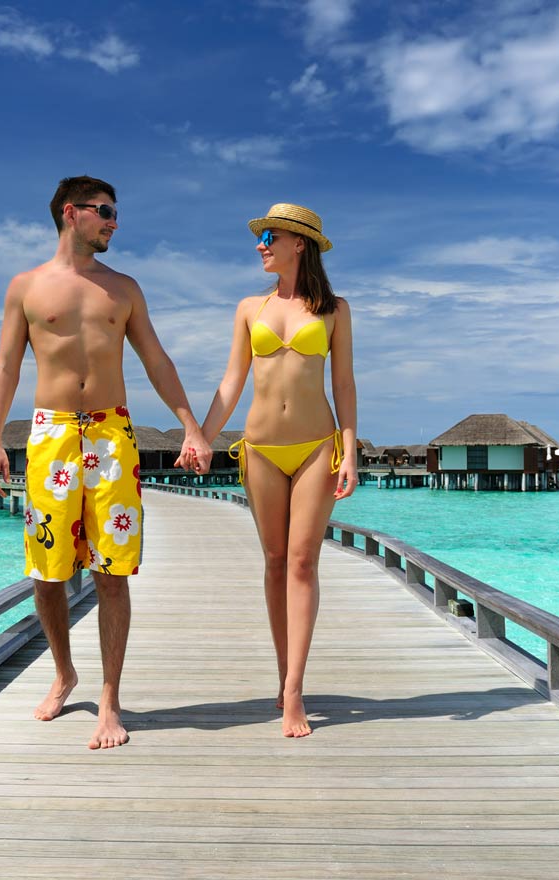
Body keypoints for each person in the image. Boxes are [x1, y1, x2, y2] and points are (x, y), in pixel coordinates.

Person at [0, 176, 211, 749]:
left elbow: (155, 359)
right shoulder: (26, 287)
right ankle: (64, 672)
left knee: (112, 571)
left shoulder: (124, 289)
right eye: (104, 211)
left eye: (115, 213)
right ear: (71, 213)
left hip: (112, 436)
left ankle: (109, 698)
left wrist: (190, 425)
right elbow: (7, 366)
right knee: (48, 571)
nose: (113, 221)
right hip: (50, 435)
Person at [179, 203, 357, 737]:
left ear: (298, 243)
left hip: (314, 448)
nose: (261, 245)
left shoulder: (334, 309)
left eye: (270, 236)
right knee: (276, 562)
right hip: (258, 448)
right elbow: (232, 382)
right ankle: (282, 679)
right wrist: (201, 438)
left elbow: (342, 384)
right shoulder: (247, 308)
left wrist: (350, 450)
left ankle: (296, 690)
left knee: (303, 563)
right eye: (261, 237)